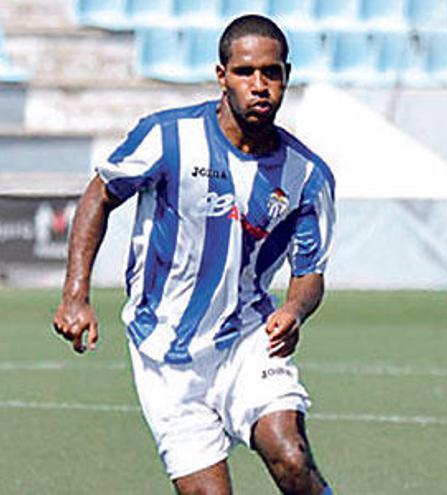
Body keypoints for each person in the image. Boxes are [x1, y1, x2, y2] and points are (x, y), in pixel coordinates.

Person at [51, 15, 335, 495]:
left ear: (287, 75)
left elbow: (310, 273)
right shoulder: (168, 137)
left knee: (291, 458)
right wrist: (76, 294)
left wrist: (293, 308)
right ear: (222, 76)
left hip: (248, 337)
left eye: (271, 73)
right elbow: (100, 194)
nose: (260, 86)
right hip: (166, 354)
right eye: (246, 73)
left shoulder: (307, 175)